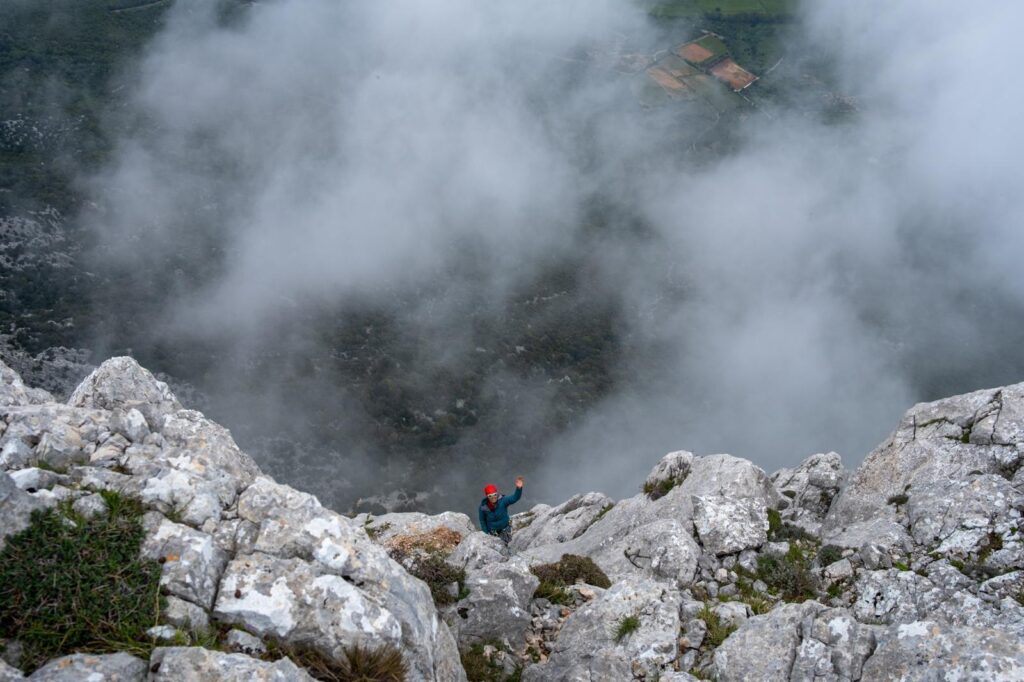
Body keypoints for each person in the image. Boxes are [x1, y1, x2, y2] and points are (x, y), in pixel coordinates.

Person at [478, 476, 524, 545]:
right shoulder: (483, 507)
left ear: (497, 494)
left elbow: (515, 498)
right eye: (490, 496)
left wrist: (519, 488)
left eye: (494, 494)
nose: (493, 497)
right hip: (493, 532)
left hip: (505, 529)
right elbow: (482, 520)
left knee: (507, 545)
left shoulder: (503, 500)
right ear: (487, 497)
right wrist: (486, 533)